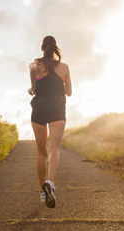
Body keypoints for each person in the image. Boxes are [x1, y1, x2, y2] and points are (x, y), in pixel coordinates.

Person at [28, 35, 72, 208]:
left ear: (42, 48)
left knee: (41, 152)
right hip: (57, 110)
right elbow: (69, 92)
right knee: (54, 150)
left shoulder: (34, 66)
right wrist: (63, 82)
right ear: (55, 48)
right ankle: (51, 185)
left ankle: (42, 192)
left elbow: (34, 88)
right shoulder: (64, 68)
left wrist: (32, 88)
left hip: (39, 109)